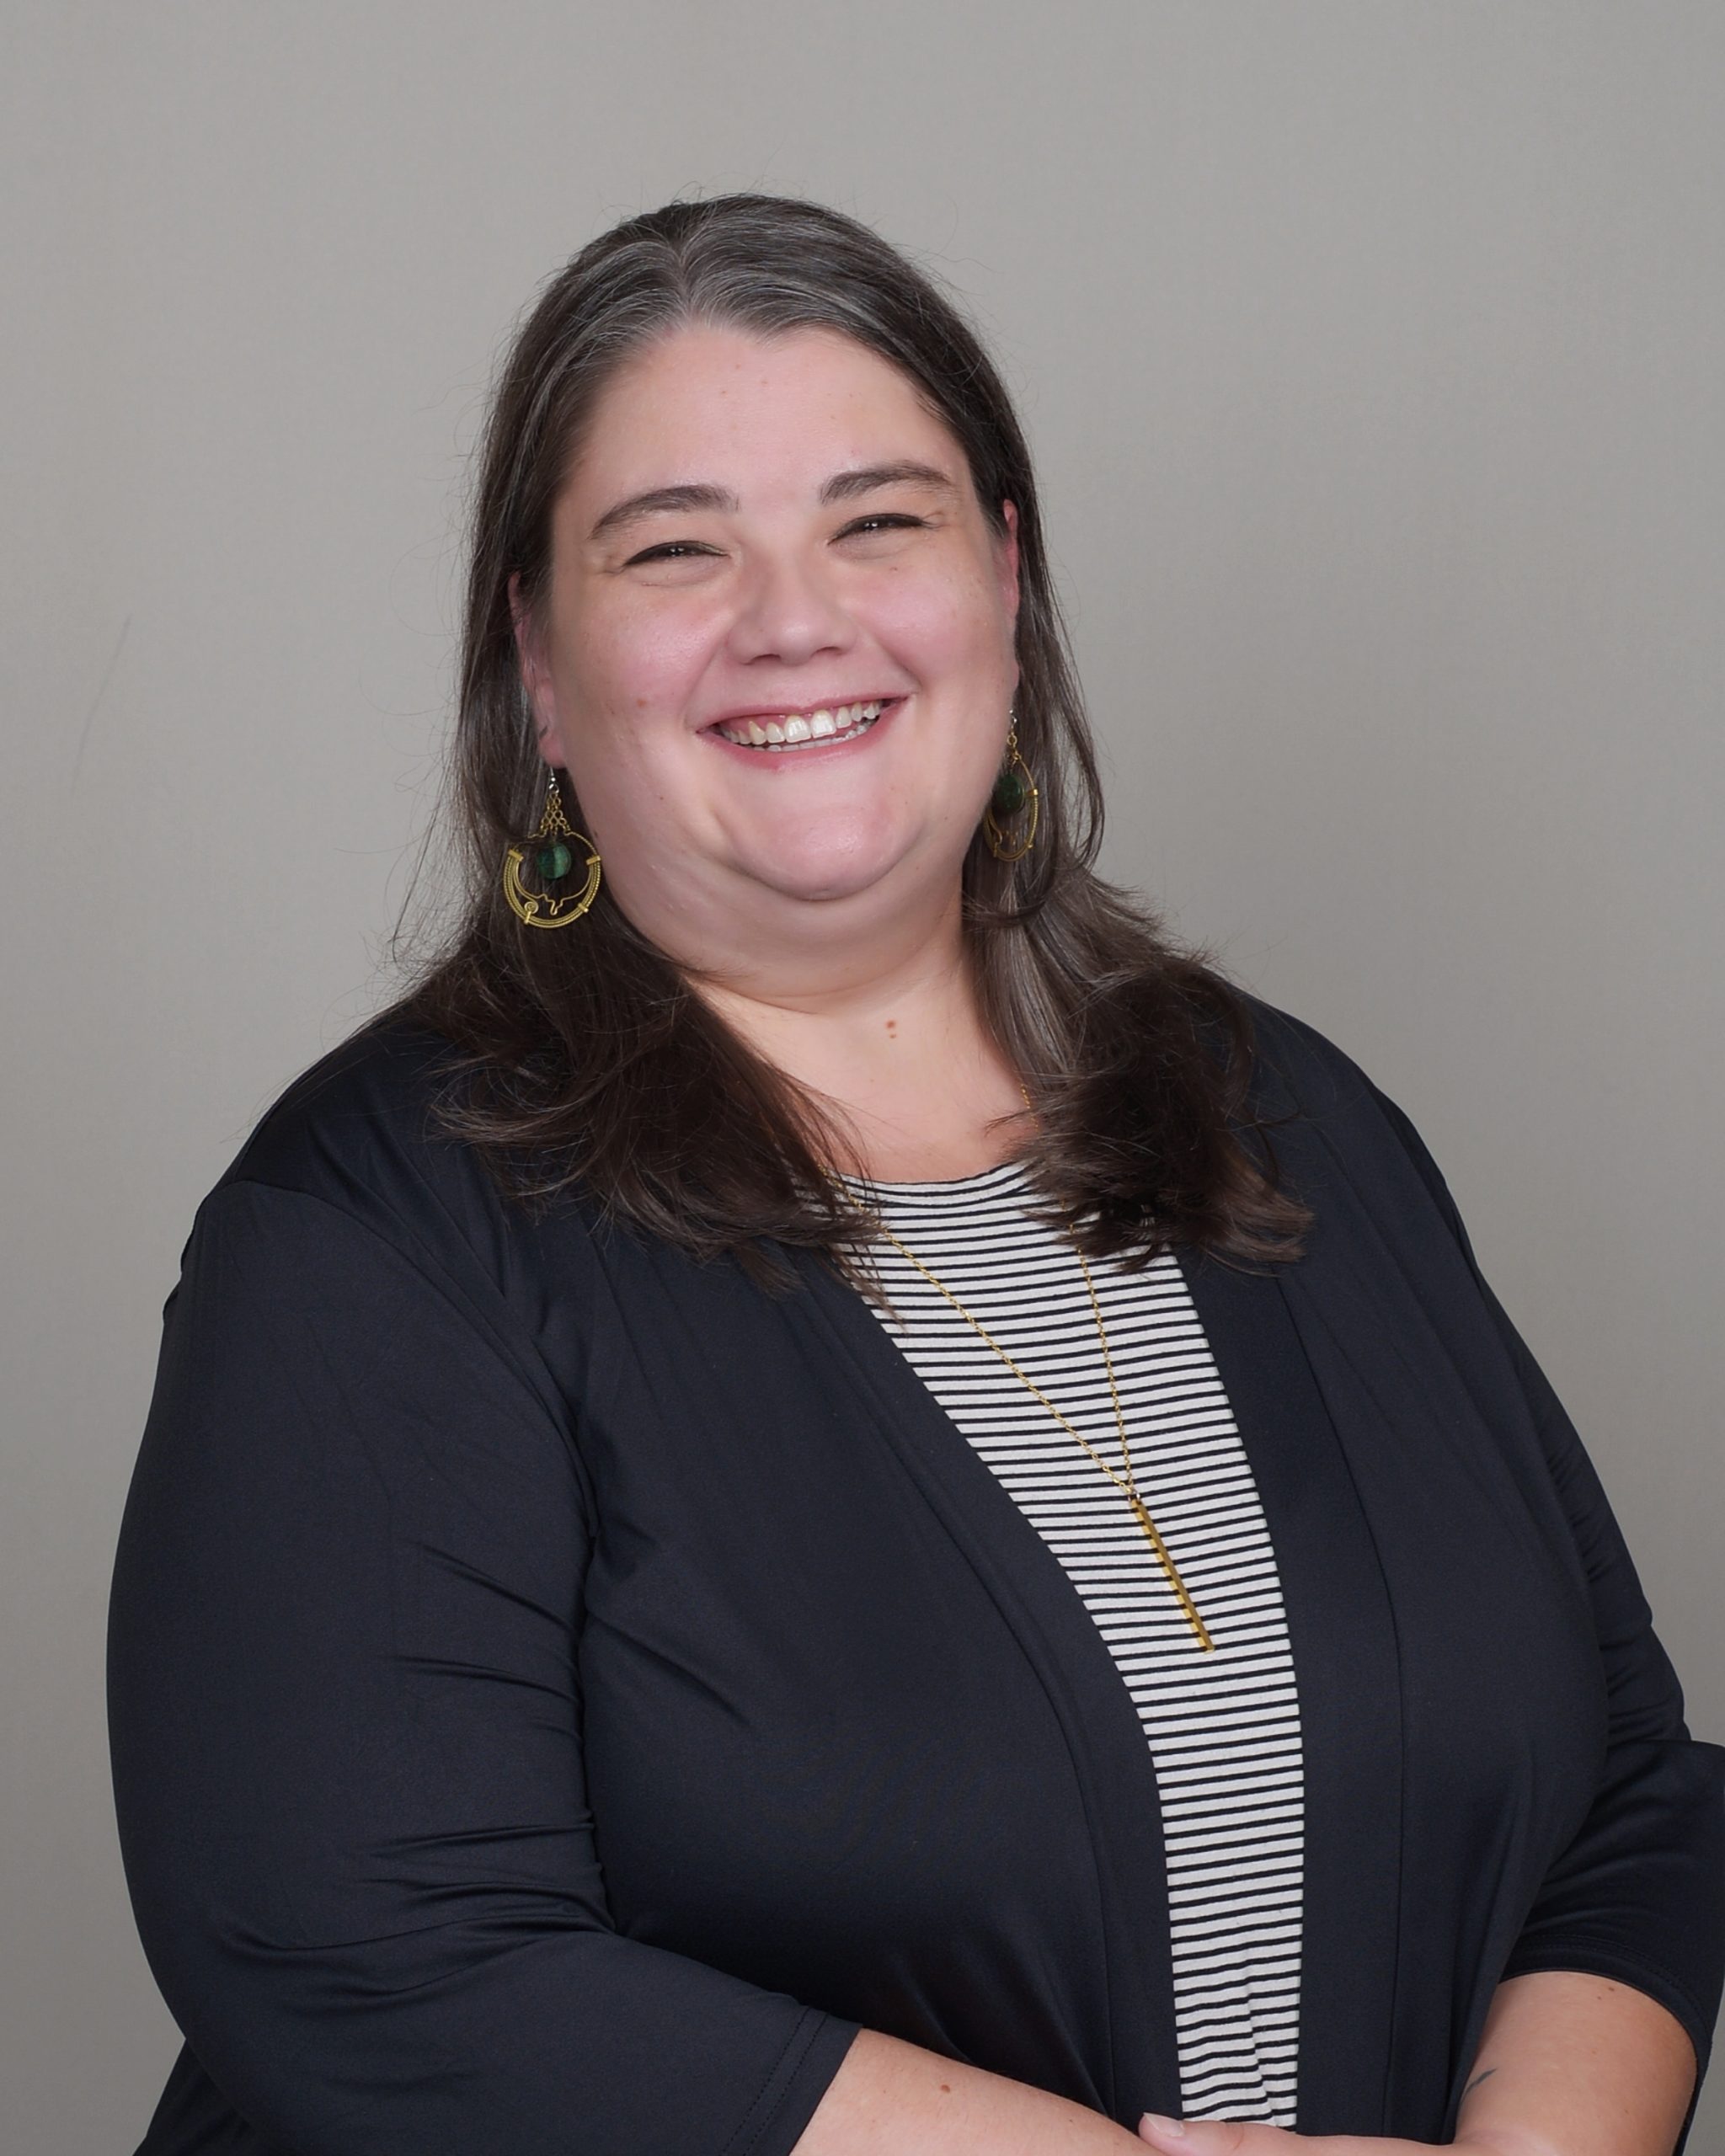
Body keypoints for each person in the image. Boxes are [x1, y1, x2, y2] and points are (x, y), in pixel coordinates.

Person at [107, 193, 1723, 2156]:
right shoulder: (373, 1230)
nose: (796, 617)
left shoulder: (1284, 1115)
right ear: (537, 660)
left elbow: (1628, 1785)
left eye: (879, 521)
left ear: (1006, 583)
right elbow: (374, 1958)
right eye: (674, 548)